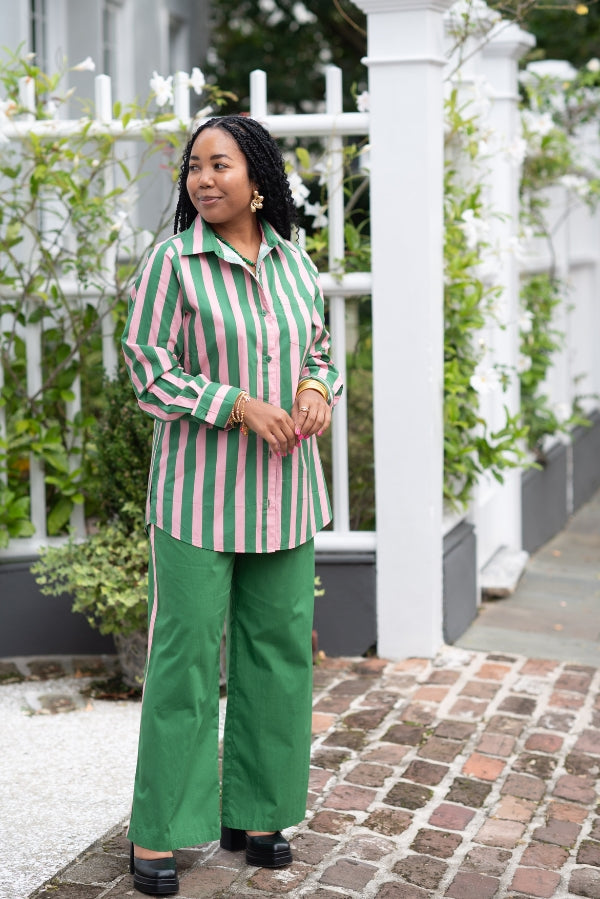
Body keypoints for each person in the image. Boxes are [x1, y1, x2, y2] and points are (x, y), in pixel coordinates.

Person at [121, 113, 343, 896]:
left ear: (257, 179)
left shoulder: (293, 262)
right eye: (194, 167)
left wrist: (315, 389)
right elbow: (149, 370)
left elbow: (319, 349)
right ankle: (158, 827)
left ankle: (258, 813)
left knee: (278, 656)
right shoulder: (172, 264)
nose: (203, 179)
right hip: (197, 498)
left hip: (286, 494)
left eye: (220, 164)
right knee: (183, 658)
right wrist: (237, 405)